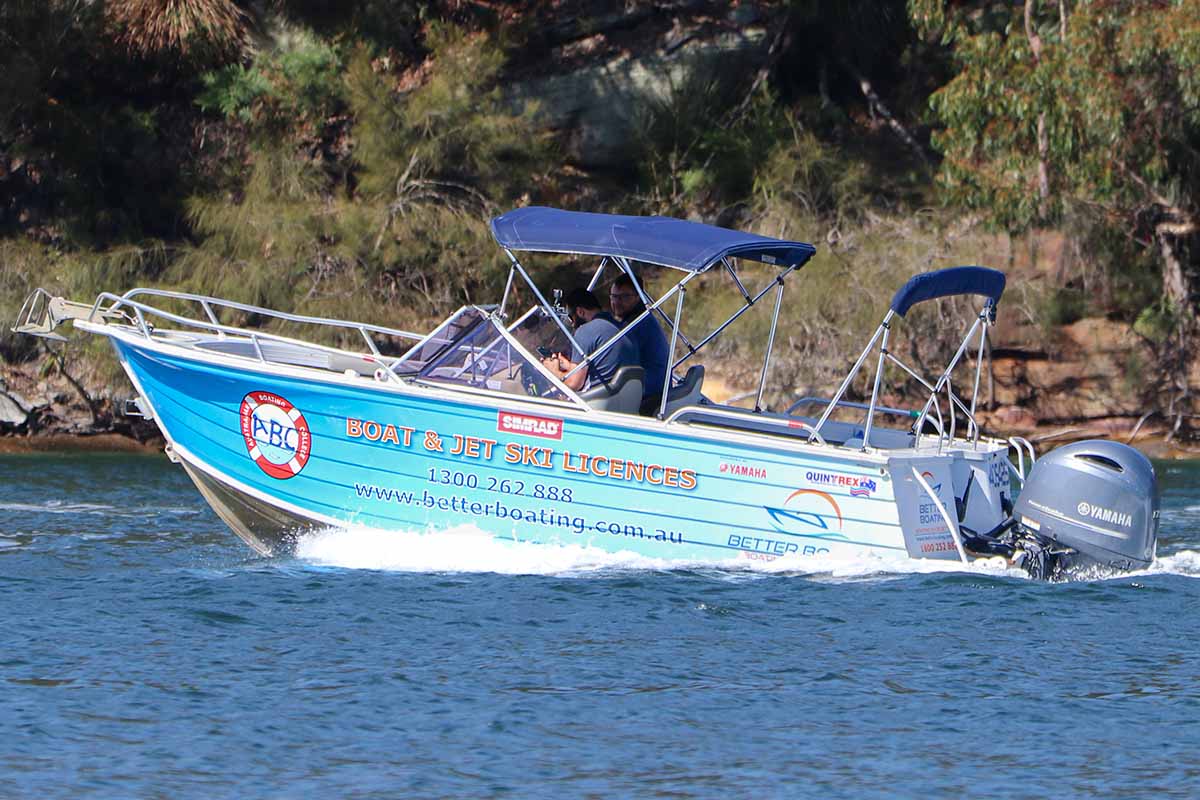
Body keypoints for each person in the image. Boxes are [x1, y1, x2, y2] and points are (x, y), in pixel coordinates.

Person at [541, 288, 637, 392]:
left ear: (580, 312)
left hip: (597, 402)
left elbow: (573, 384)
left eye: (570, 317)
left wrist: (553, 371)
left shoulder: (585, 330)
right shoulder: (622, 328)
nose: (572, 324)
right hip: (626, 401)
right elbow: (605, 366)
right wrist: (569, 365)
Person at [608, 273, 670, 415]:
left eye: (624, 297)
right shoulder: (640, 320)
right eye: (614, 296)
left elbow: (615, 360)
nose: (617, 302)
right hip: (651, 389)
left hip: (650, 394)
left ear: (638, 298)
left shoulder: (638, 325)